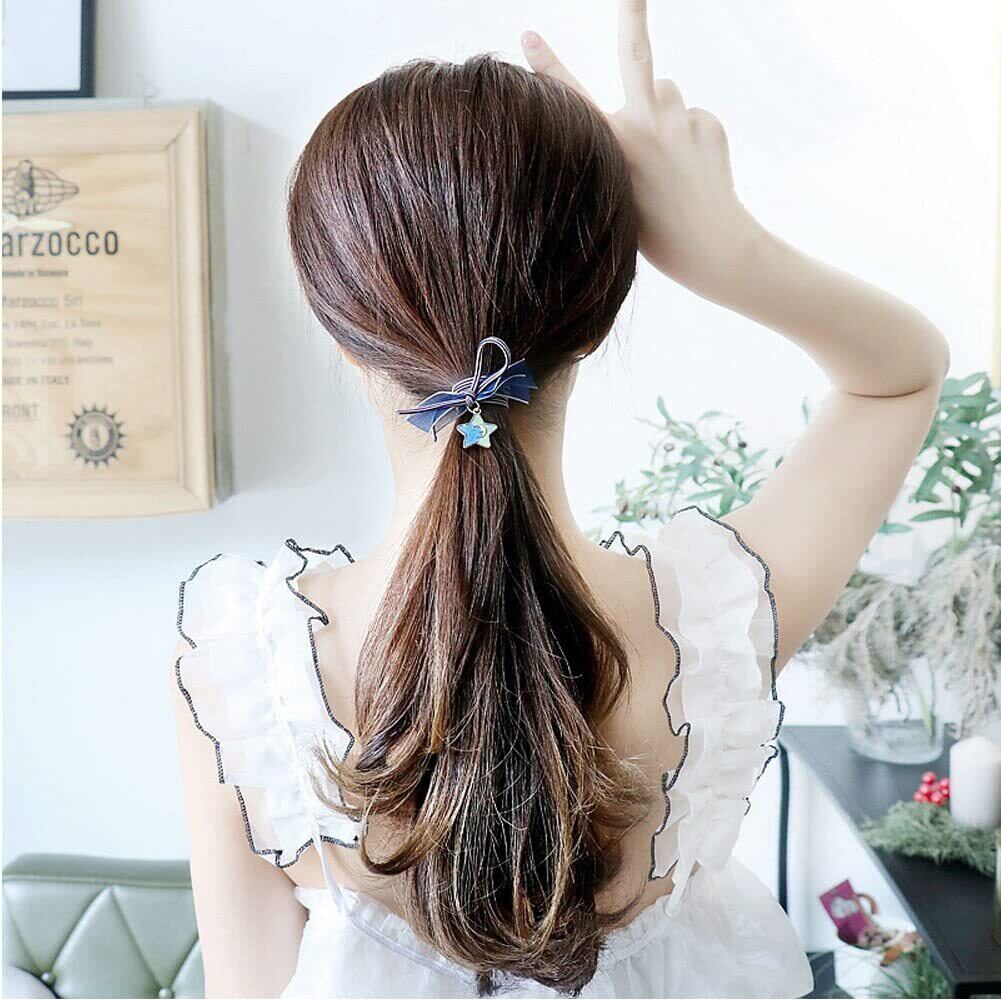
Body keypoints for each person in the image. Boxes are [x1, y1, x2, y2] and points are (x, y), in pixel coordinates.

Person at [172, 4, 950, 997]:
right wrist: (729, 248)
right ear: (596, 319)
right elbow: (897, 376)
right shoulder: (711, 631)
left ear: (341, 329)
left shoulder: (245, 673)